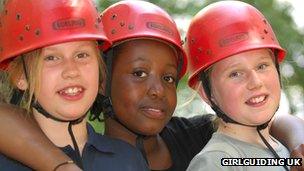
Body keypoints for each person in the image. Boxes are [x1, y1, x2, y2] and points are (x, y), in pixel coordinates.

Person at [0, 1, 304, 171]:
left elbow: (264, 119)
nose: (158, 89)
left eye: (169, 78)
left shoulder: (191, 136)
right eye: (139, 73)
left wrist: (299, 142)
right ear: (103, 78)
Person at [0, 0, 149, 171]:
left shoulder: (128, 159)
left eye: (81, 55)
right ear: (20, 76)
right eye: (51, 58)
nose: (71, 71)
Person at [185, 1, 294, 171]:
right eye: (235, 74)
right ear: (206, 94)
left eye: (262, 66)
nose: (256, 82)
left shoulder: (287, 149)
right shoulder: (216, 162)